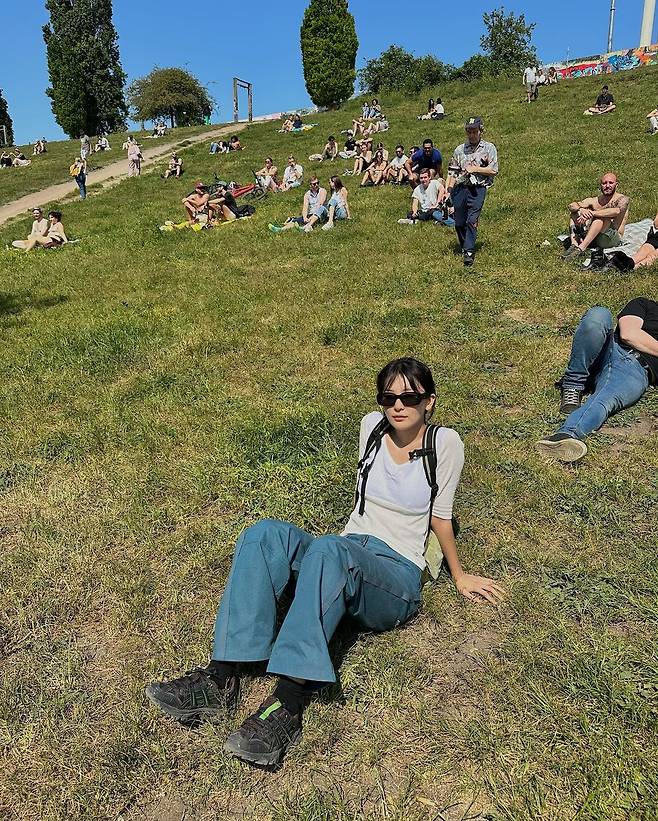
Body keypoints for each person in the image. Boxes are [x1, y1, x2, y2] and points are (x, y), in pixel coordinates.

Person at [145, 357, 504, 766]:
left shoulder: (445, 444)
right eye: (388, 397)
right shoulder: (372, 427)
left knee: (331, 550)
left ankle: (287, 704)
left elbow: (441, 517)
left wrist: (459, 575)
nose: (398, 405)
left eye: (409, 397)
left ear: (429, 401)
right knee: (265, 535)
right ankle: (221, 677)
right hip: (347, 549)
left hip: (395, 572)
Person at [537, 300, 657, 462]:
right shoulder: (645, 305)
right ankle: (573, 385)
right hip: (608, 349)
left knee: (604, 400)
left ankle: (566, 436)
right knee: (598, 314)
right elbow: (629, 334)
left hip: (636, 371)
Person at [445, 116, 499, 268]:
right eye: (469, 132)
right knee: (459, 223)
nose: (472, 135)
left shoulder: (489, 148)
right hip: (460, 188)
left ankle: (469, 252)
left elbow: (494, 170)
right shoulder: (459, 150)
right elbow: (452, 172)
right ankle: (465, 245)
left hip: (478, 189)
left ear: (481, 131)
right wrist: (448, 191)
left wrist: (475, 169)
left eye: (475, 131)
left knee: (472, 220)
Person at [563, 173, 629, 263]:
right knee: (575, 213)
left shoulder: (622, 199)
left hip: (611, 238)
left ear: (616, 185)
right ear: (600, 185)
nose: (607, 186)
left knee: (602, 218)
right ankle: (574, 245)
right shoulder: (595, 200)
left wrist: (592, 213)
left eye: (610, 183)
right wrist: (581, 210)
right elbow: (571, 206)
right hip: (595, 237)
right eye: (604, 183)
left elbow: (616, 211)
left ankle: (581, 249)